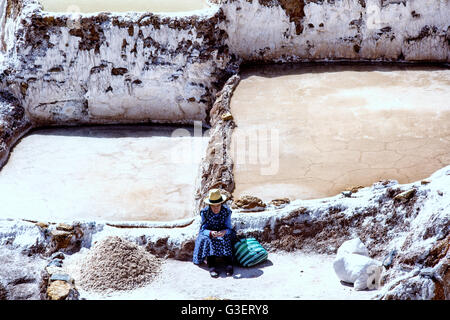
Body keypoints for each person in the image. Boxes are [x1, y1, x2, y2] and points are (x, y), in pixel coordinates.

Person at [193, 188, 236, 278]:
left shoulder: (226, 211)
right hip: (210, 233)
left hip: (223, 231)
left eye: (218, 205)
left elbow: (229, 227)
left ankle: (229, 263)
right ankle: (211, 265)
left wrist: (225, 232)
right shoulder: (205, 212)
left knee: (226, 238)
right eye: (213, 206)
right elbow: (203, 229)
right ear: (209, 205)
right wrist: (210, 233)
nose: (216, 208)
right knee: (208, 240)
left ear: (221, 204)